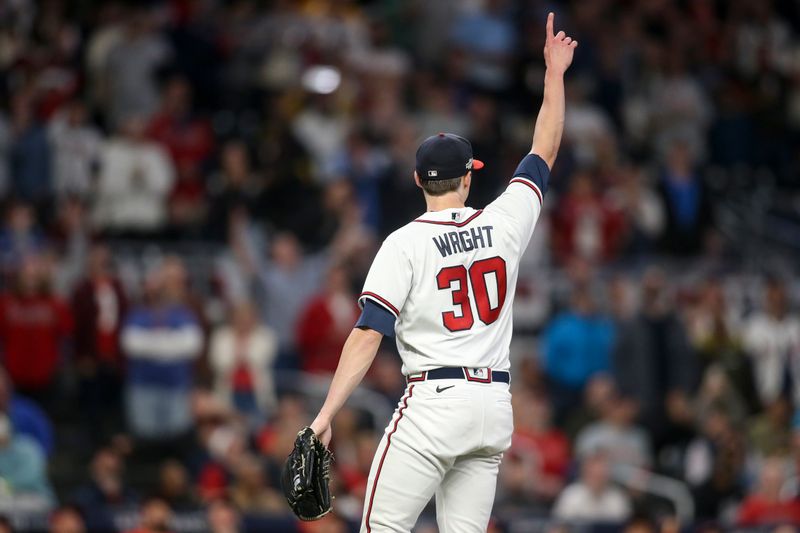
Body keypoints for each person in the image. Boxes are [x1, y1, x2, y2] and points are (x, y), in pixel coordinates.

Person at [304, 14, 577, 532]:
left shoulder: (403, 243)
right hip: (493, 406)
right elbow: (544, 149)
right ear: (469, 180)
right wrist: (554, 74)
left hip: (435, 402)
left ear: (417, 181)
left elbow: (367, 336)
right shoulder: (505, 220)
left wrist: (325, 416)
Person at [552, 452, 632, 523]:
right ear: (585, 473)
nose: (597, 478)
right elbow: (559, 527)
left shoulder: (617, 498)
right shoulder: (571, 495)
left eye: (601, 475)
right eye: (593, 474)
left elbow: (626, 527)